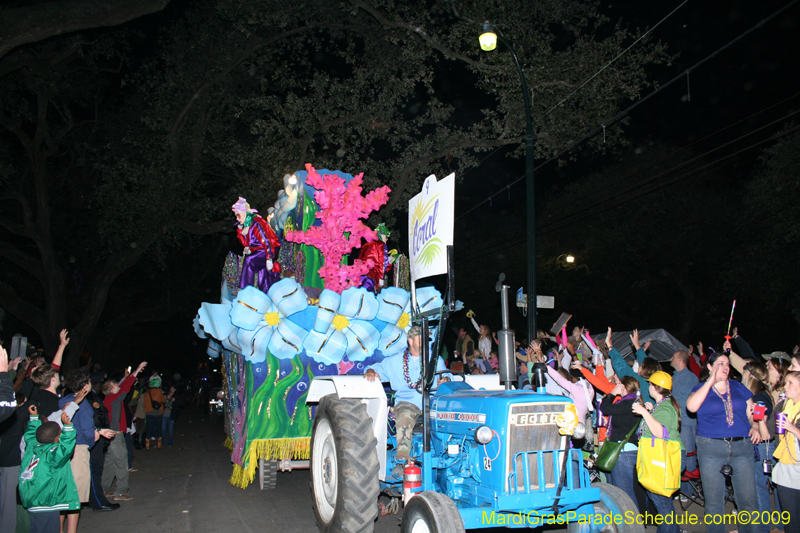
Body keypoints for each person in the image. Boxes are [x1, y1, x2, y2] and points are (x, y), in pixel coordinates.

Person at [686, 351, 758, 533]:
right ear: (710, 367)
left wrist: (755, 426)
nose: (725, 367)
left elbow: (752, 411)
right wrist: (711, 381)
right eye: (720, 363)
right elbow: (691, 407)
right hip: (710, 447)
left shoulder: (738, 387)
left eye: (727, 364)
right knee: (714, 501)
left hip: (742, 446)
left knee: (748, 500)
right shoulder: (700, 388)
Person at [364, 326, 450, 477]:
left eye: (426, 338)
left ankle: (450, 458)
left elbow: (447, 376)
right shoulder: (395, 361)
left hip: (433, 402)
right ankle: (401, 461)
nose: (425, 342)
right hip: (407, 403)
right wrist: (370, 371)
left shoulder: (434, 359)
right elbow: (376, 369)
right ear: (410, 341)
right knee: (405, 415)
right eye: (421, 339)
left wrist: (446, 380)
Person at [631, 371, 684, 533]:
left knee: (662, 505)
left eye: (650, 384)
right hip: (662, 458)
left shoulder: (666, 407)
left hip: (664, 459)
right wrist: (652, 410)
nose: (648, 387)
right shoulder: (664, 405)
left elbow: (661, 433)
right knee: (663, 504)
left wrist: (644, 412)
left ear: (656, 387)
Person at [19, 406, 79, 533]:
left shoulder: (31, 447)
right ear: (56, 439)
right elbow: (66, 448)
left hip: (32, 501)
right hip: (46, 503)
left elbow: (30, 434)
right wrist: (68, 427)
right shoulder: (52, 455)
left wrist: (34, 418)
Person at [741, 359, 784, 533]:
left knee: (759, 488)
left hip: (762, 447)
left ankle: (762, 527)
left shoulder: (759, 397)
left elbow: (761, 421)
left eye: (744, 372)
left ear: (750, 376)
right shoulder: (759, 394)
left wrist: (755, 426)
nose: (741, 376)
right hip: (763, 446)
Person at [56, 371, 97, 533]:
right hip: (78, 449)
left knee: (62, 494)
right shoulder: (84, 405)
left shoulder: (63, 401)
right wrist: (94, 439)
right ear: (85, 385)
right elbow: (88, 432)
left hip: (62, 448)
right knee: (75, 496)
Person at [102, 362, 147, 501]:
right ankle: (120, 492)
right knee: (121, 462)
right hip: (115, 434)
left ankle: (104, 489)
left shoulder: (110, 399)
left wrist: (132, 374)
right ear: (111, 389)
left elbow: (123, 386)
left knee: (109, 462)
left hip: (110, 434)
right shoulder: (114, 398)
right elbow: (126, 388)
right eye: (115, 385)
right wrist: (138, 370)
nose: (117, 385)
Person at [598, 376, 642, 507]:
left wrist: (612, 394)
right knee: (623, 491)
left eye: (619, 384)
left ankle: (632, 523)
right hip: (627, 450)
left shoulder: (628, 403)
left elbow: (604, 408)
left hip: (623, 452)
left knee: (624, 494)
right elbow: (623, 422)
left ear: (624, 387)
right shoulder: (631, 402)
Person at [232, 197, 281, 293]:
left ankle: (245, 289)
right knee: (263, 273)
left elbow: (266, 240)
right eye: (235, 216)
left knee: (249, 260)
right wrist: (246, 245)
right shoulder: (245, 226)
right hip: (259, 250)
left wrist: (269, 257)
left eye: (238, 215)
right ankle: (265, 293)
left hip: (270, 249)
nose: (237, 218)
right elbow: (247, 242)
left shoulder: (256, 223)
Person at [772, 371, 800, 533]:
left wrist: (792, 428)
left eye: (791, 383)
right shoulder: (784, 405)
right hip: (786, 469)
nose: (786, 387)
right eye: (786, 383)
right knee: (791, 520)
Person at [669, 349, 699, 492]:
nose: (671, 359)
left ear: (681, 360)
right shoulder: (674, 377)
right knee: (678, 455)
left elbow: (690, 401)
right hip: (676, 422)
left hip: (686, 422)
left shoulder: (690, 378)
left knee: (688, 455)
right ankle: (680, 488)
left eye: (673, 356)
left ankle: (689, 491)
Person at [606, 328, 660, 405]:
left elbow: (621, 367)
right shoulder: (658, 380)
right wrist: (637, 346)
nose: (639, 367)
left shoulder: (639, 381)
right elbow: (647, 363)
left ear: (643, 369)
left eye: (641, 366)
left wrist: (610, 346)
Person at [357, 223, 393, 292]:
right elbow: (382, 264)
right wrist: (380, 281)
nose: (387, 239)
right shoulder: (381, 245)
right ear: (381, 235)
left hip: (360, 277)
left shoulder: (365, 245)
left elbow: (359, 260)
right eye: (386, 236)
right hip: (371, 278)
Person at [144, 379, 166, 449]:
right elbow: (163, 400)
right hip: (158, 413)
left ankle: (147, 445)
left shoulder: (148, 393)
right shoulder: (159, 392)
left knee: (149, 429)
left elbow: (144, 403)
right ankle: (159, 444)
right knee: (158, 428)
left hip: (149, 413)